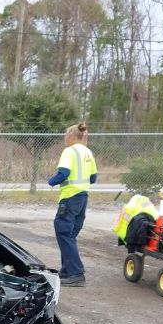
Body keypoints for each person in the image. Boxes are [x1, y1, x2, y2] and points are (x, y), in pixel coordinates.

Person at [48, 122, 97, 287]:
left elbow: (64, 173)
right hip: (83, 198)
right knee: (69, 235)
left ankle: (76, 273)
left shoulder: (69, 151)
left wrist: (51, 181)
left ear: (70, 136)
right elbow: (93, 178)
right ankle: (67, 270)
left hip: (70, 197)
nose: (64, 138)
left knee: (63, 232)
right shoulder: (87, 152)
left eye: (65, 135)